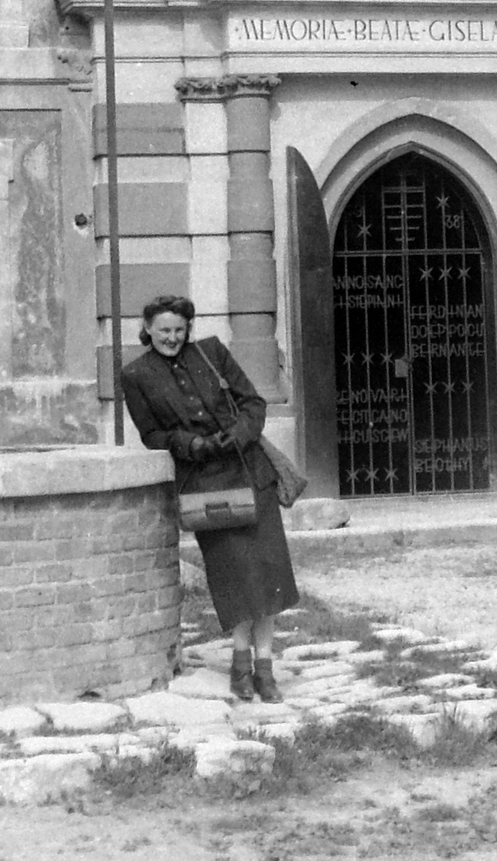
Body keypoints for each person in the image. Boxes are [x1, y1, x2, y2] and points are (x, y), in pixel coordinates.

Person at [120, 295, 299, 702]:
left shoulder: (213, 352)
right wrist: (190, 444)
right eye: (164, 330)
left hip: (251, 473)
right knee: (234, 574)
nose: (172, 338)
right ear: (147, 328)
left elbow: (253, 402)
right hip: (205, 485)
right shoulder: (135, 376)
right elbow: (151, 435)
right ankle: (240, 664)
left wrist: (238, 434)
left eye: (180, 330)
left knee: (268, 573)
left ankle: (265, 667)